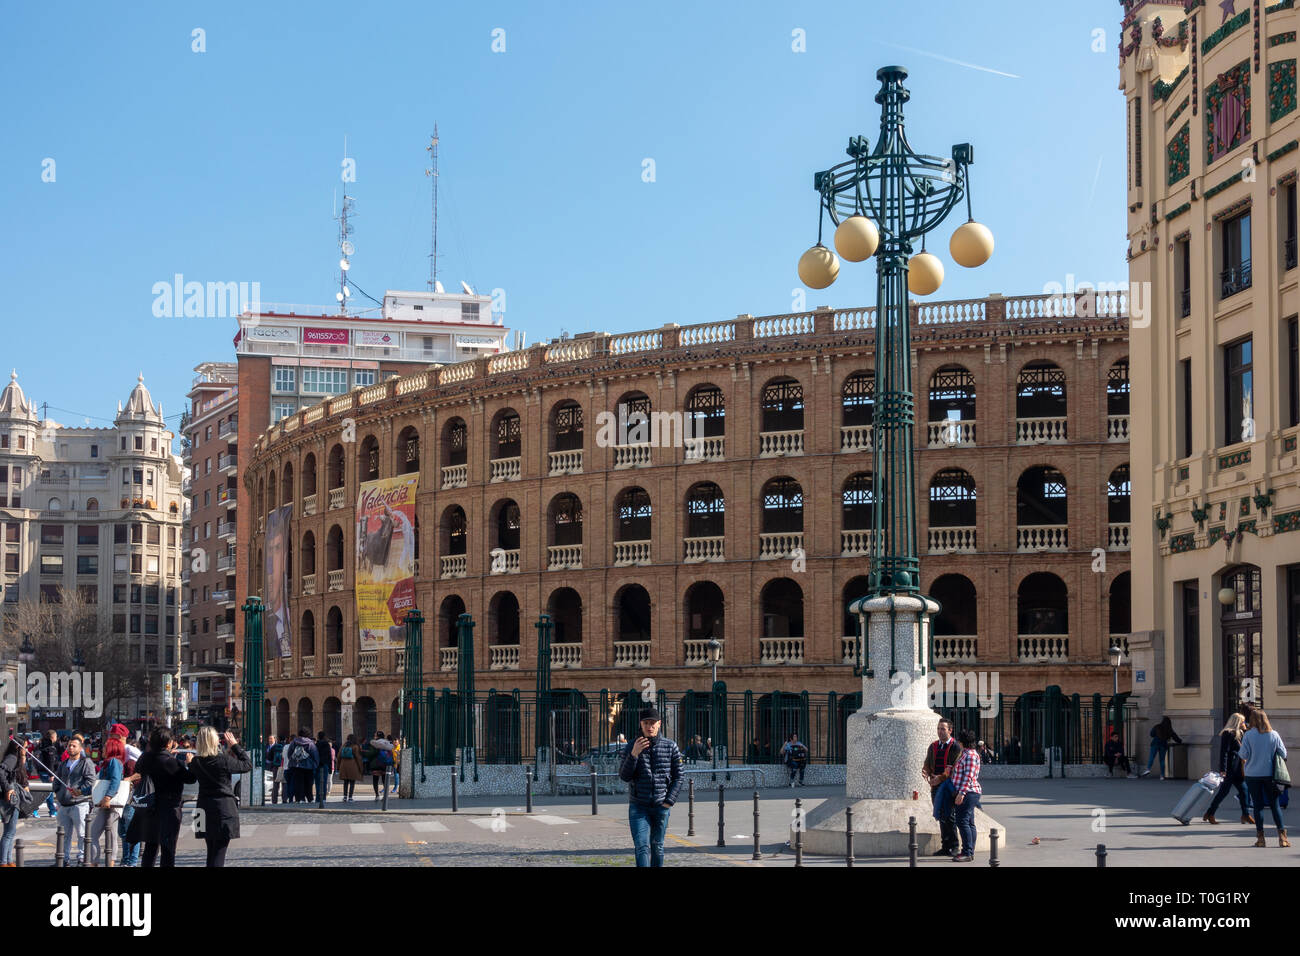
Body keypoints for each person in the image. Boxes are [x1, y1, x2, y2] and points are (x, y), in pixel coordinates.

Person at [617, 706, 684, 867]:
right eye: (646, 723)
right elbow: (624, 776)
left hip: (661, 805)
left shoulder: (670, 746)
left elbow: (679, 777)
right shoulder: (632, 745)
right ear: (641, 724)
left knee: (658, 847)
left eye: (653, 723)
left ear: (659, 724)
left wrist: (669, 801)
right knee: (641, 847)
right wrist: (634, 754)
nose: (650, 726)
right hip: (639, 806)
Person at [129, 728, 196, 868]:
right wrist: (190, 763)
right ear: (169, 743)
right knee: (168, 848)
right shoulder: (170, 762)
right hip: (169, 809)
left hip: (149, 807)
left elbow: (143, 767)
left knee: (150, 846)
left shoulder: (145, 758)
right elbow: (190, 778)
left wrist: (166, 754)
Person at [190, 727, 252, 867]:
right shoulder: (223, 760)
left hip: (203, 809)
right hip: (223, 808)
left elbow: (191, 776)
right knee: (219, 851)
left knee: (211, 850)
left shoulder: (196, 762)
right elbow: (247, 765)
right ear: (213, 741)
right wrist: (235, 746)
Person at [1237, 709, 1288, 847]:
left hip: (1252, 775)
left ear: (1252, 720)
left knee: (1258, 806)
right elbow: (1283, 753)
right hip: (1270, 774)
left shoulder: (1248, 735)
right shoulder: (1274, 734)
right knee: (1274, 805)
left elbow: (1243, 755)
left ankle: (1261, 838)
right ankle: (1282, 837)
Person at [54, 734, 97, 866]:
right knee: (64, 834)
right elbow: (57, 779)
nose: (71, 748)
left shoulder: (86, 762)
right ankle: (64, 859)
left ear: (80, 748)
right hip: (64, 803)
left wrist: (80, 790)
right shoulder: (63, 763)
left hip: (79, 803)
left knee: (82, 833)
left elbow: (91, 781)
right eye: (69, 746)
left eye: (74, 746)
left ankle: (82, 858)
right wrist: (58, 792)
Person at [922, 718, 962, 857]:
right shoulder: (933, 746)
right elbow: (927, 763)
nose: (940, 731)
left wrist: (938, 779)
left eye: (943, 729)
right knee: (941, 816)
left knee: (950, 816)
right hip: (935, 786)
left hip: (948, 786)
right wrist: (926, 772)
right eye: (938, 728)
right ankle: (945, 846)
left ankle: (955, 845)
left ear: (950, 730)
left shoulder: (955, 746)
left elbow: (951, 768)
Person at [1204, 713, 1253, 825]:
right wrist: (1223, 769)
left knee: (1244, 791)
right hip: (1230, 768)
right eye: (1242, 721)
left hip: (1238, 769)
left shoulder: (1240, 733)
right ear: (1237, 722)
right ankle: (1210, 813)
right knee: (1223, 792)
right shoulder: (1228, 733)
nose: (1244, 723)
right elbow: (1224, 752)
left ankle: (1245, 815)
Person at [87, 733, 127, 866]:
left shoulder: (114, 762)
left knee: (110, 835)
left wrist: (107, 797)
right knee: (98, 834)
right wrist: (82, 791)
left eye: (105, 747)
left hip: (111, 803)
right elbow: (98, 784)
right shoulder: (108, 763)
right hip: (106, 803)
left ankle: (107, 862)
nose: (102, 750)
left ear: (111, 748)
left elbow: (115, 781)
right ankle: (96, 862)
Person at [950, 728, 983, 862]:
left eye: (959, 740)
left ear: (962, 741)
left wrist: (961, 793)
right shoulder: (965, 753)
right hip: (967, 791)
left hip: (968, 792)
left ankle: (967, 852)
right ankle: (969, 850)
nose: (957, 742)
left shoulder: (970, 755)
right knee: (969, 822)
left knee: (962, 821)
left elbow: (968, 776)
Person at [115, 724, 143, 867]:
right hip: (120, 797)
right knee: (123, 831)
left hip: (132, 796)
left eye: (114, 736)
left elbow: (143, 770)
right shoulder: (114, 752)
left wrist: (129, 779)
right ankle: (125, 860)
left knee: (131, 830)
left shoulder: (131, 752)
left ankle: (131, 862)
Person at [0, 738, 31, 866]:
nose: (27, 750)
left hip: (13, 798)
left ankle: (8, 860)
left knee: (10, 831)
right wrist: (8, 788)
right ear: (18, 748)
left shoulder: (15, 759)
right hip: (11, 799)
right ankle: (3, 861)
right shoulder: (12, 758)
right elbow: (1, 771)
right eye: (25, 747)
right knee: (9, 832)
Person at [285, 729, 318, 803]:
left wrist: (292, 761)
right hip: (308, 766)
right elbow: (314, 754)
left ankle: (300, 798)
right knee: (309, 783)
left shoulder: (294, 742)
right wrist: (315, 764)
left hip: (296, 766)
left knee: (298, 783)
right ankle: (310, 798)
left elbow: (289, 753)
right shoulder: (310, 743)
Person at [37, 730, 59, 816]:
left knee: (47, 792)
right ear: (53, 737)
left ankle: (52, 810)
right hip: (47, 773)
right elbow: (50, 762)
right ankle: (36, 808)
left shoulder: (42, 744)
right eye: (56, 737)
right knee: (48, 793)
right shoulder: (50, 748)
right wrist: (51, 774)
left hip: (42, 771)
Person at [337, 734, 364, 802]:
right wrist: (361, 768)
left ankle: (345, 796)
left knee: (345, 782)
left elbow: (339, 757)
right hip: (353, 766)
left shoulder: (343, 746)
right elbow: (358, 758)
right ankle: (350, 797)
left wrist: (338, 767)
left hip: (343, 766)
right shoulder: (355, 746)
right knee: (352, 782)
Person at [367, 731, 394, 799]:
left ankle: (377, 795)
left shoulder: (374, 743)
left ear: (377, 736)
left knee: (375, 780)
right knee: (384, 780)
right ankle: (385, 796)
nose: (374, 736)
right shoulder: (387, 743)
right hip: (385, 765)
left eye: (375, 735)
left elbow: (372, 753)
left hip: (377, 764)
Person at [315, 731, 334, 807]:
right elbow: (329, 757)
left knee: (317, 782)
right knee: (324, 782)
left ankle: (317, 798)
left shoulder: (316, 744)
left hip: (318, 765)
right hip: (325, 765)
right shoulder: (326, 744)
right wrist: (330, 768)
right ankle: (323, 798)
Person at [265, 735, 284, 804]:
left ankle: (274, 800)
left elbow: (269, 758)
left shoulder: (274, 747)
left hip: (275, 767)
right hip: (283, 767)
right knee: (284, 784)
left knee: (276, 784)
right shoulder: (285, 746)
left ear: (276, 739)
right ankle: (284, 800)